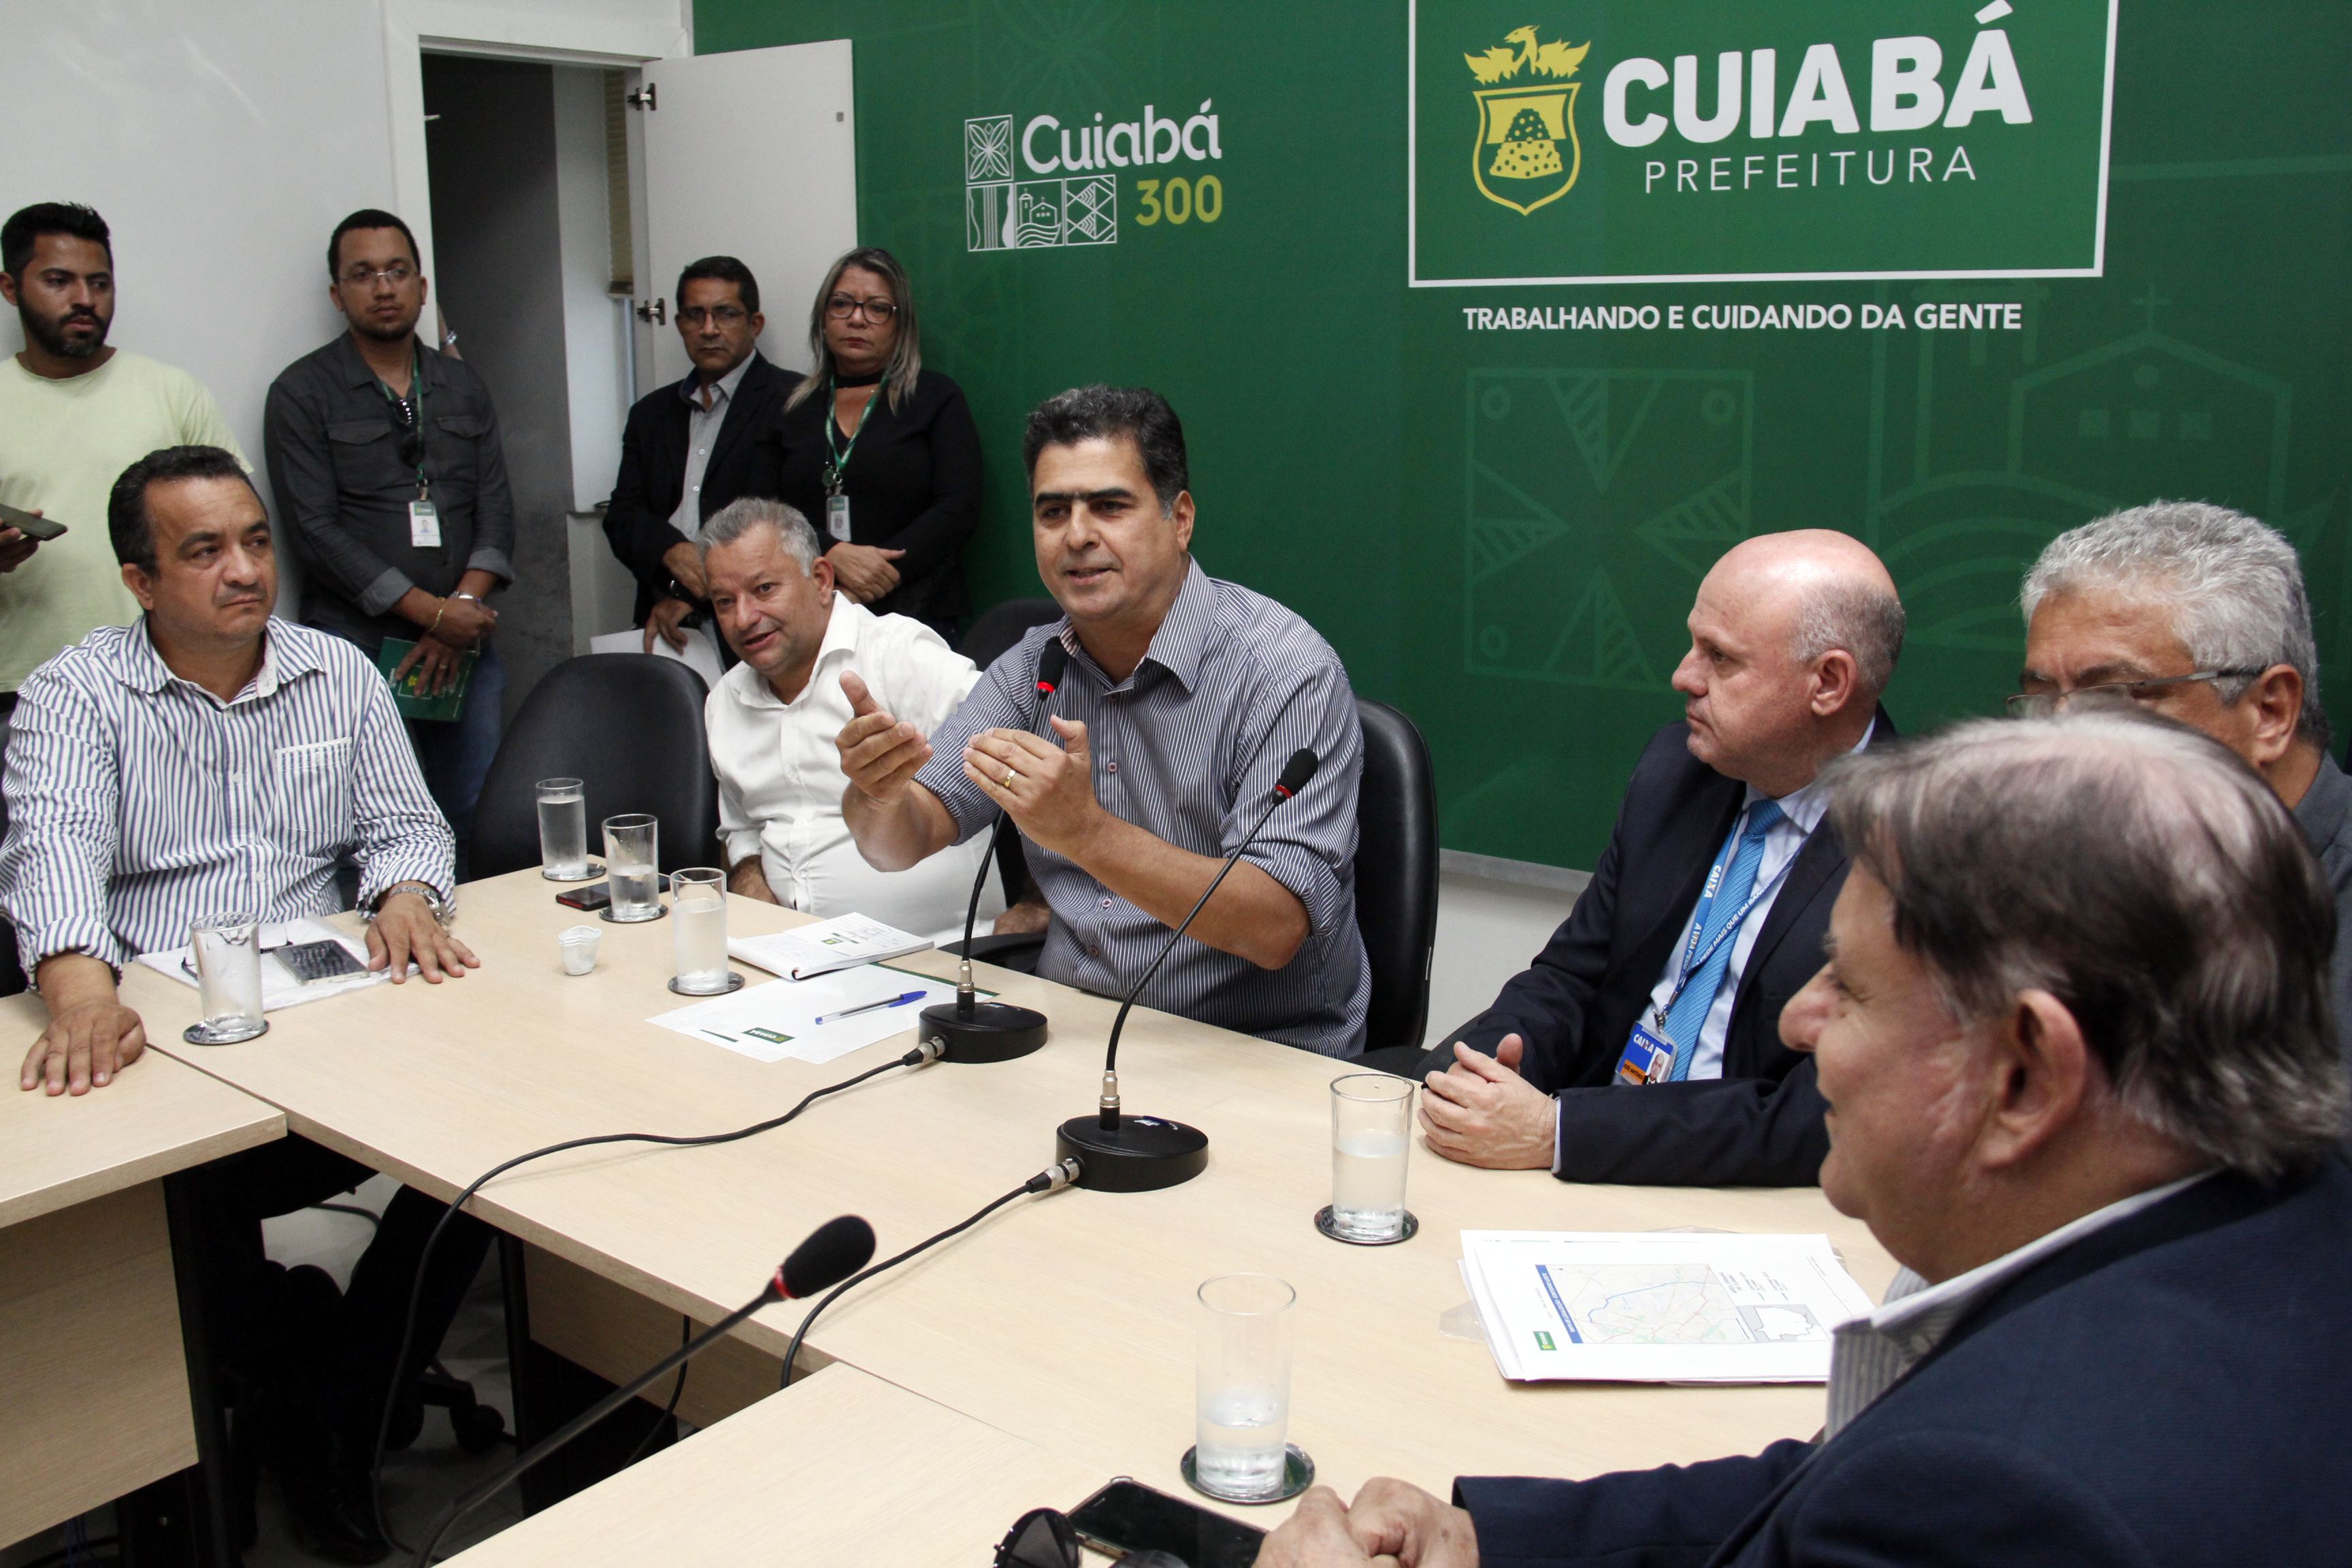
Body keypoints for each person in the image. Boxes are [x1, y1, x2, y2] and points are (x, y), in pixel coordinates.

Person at [1258, 710, 2352, 1568]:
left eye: (1852, 988)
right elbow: (1826, 1485)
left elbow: (1904, 1493)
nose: (1799, 1020)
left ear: (2026, 1076)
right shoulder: (2282, 1225)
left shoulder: (2010, 1494)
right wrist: (1494, 1539)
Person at [1, 445, 489, 1563]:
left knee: (494, 1151)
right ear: (140, 581)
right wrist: (79, 990)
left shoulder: (337, 670)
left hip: (336, 1011)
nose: (244, 570)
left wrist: (406, 893)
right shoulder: (75, 694)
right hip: (176, 1025)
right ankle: (302, 1376)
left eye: (256, 541)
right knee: (164, 1203)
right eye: (205, 550)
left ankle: (335, 1392)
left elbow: (406, 825)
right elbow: (53, 856)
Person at [836, 385, 1371, 1056]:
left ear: (1180, 520)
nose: (1077, 536)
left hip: (1252, 1051)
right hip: (1072, 1030)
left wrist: (1084, 831)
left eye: (1110, 507)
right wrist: (876, 794)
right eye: (1053, 511)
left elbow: (1274, 928)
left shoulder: (1285, 673)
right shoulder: (1034, 667)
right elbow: (900, 843)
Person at [1418, 532, 1902, 1186]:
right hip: (1578, 1164)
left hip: (1738, 1196)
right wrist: (1484, 1073)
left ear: (1829, 682)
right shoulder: (1676, 771)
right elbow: (1571, 976)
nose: (1684, 676)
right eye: (1693, 644)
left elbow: (1816, 1112)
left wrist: (1559, 1132)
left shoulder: (1914, 844)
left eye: (1720, 658)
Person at [2016, 500, 2352, 1066]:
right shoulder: (2030, 885)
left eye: (2116, 695)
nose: (2060, 738)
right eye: (2042, 698)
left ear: (2270, 711)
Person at [264, 208, 516, 866]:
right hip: (356, 651)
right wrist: (432, 614)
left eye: (397, 271)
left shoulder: (462, 386)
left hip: (465, 649)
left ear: (422, 287)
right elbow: (314, 530)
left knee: (473, 813)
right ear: (337, 293)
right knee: (370, 826)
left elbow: (495, 507)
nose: (383, 287)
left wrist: (458, 613)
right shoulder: (302, 393)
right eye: (363, 274)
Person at [700, 497, 1000, 943]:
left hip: (937, 951)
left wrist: (1042, 905)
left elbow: (1026, 744)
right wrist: (749, 882)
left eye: (764, 589)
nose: (743, 618)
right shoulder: (724, 701)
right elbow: (741, 830)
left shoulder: (897, 655)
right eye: (725, 602)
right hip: (787, 958)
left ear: (821, 580)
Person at [0, 201, 245, 739]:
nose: (85, 299)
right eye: (58, 281)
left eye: (99, 283)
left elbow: (239, 531)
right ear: (11, 288)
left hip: (172, 684)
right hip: (25, 689)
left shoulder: (173, 392)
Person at [751, 247, 980, 640]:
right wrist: (831, 553)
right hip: (813, 609)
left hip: (917, 613)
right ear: (823, 318)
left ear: (900, 324)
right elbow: (763, 507)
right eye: (842, 304)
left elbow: (958, 508)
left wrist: (876, 576)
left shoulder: (936, 398)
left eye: (877, 308)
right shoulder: (787, 406)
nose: (857, 319)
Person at [602, 255, 800, 654]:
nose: (708, 329)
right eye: (695, 315)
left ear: (755, 324)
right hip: (666, 625)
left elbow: (791, 522)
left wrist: (693, 594)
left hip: (759, 621)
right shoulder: (649, 414)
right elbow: (623, 516)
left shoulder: (794, 401)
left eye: (725, 314)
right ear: (679, 324)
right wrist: (671, 552)